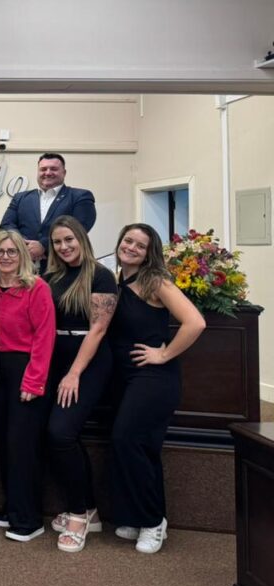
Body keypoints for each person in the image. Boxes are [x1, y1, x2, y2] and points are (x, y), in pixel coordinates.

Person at [109, 223, 205, 554]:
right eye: (128, 240)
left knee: (127, 440)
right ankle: (141, 516)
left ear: (150, 253)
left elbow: (196, 322)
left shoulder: (156, 282)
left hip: (153, 378)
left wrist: (163, 354)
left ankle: (152, 521)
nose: (131, 247)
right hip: (126, 377)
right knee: (137, 447)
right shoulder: (117, 281)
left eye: (140, 245)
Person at [42, 216, 117, 552]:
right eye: (57, 242)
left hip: (88, 362)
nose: (64, 247)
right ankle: (89, 509)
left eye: (69, 239)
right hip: (55, 359)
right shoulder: (51, 277)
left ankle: (77, 514)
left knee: (61, 432)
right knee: (57, 435)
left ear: (82, 238)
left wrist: (74, 373)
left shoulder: (100, 275)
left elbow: (98, 329)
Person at [0, 232, 55, 543]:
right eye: (0, 251)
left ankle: (29, 519)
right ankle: (13, 505)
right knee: (3, 441)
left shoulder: (36, 288)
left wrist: (34, 380)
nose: (5, 257)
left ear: (23, 256)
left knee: (21, 445)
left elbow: (44, 336)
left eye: (12, 251)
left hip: (24, 370)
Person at [0, 152, 97, 270]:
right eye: (43, 169)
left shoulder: (80, 196)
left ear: (64, 173)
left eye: (54, 169)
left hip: (64, 268)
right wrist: (23, 244)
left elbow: (79, 229)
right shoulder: (20, 198)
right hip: (23, 268)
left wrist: (43, 246)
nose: (48, 172)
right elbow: (6, 225)